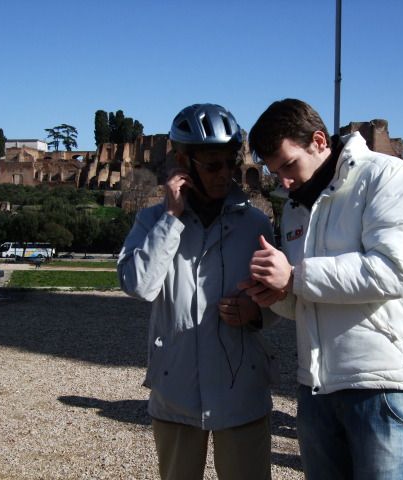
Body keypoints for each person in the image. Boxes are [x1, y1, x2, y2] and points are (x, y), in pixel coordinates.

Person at [242, 98, 403, 479]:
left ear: (318, 141)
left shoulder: (387, 177)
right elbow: (308, 300)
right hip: (315, 385)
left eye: (289, 165)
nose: (284, 182)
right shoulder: (295, 206)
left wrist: (294, 277)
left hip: (380, 383)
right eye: (275, 172)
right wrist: (277, 295)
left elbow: (393, 271)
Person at [118, 103, 279, 480]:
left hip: (242, 389)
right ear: (182, 164)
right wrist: (171, 218)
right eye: (212, 165)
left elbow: (279, 296)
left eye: (230, 163)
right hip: (176, 388)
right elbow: (139, 285)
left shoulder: (255, 223)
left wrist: (256, 312)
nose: (225, 174)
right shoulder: (152, 220)